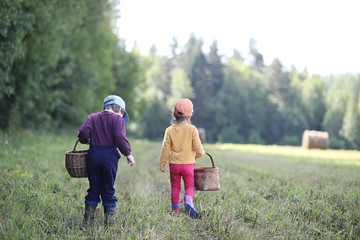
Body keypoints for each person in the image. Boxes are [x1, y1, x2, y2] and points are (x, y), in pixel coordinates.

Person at [78, 95, 135, 226]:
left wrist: (85, 140)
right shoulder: (117, 120)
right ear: (120, 109)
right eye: (122, 114)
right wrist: (128, 153)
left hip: (93, 156)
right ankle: (109, 223)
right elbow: (119, 137)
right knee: (108, 188)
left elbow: (83, 131)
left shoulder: (92, 117)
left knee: (93, 188)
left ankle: (88, 222)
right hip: (109, 157)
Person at [159, 98, 205, 218]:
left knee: (175, 186)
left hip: (174, 164)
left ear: (174, 114)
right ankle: (188, 201)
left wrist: (162, 164)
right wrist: (200, 154)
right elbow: (198, 147)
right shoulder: (192, 129)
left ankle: (175, 211)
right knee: (189, 186)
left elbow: (165, 148)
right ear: (190, 114)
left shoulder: (169, 130)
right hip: (188, 164)